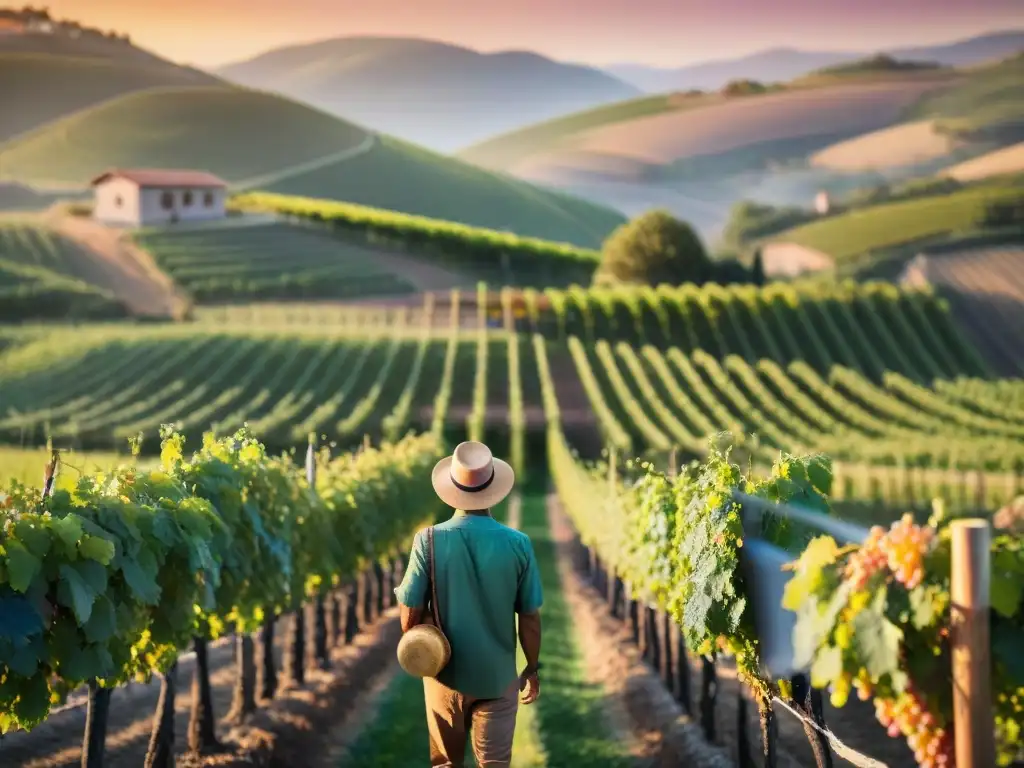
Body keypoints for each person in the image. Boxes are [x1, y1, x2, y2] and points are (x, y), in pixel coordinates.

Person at [395, 441, 543, 768]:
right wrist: (531, 667)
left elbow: (409, 619)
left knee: (446, 765)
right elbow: (529, 618)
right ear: (494, 488)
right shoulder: (518, 544)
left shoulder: (428, 540)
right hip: (497, 678)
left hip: (444, 677)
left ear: (452, 488)